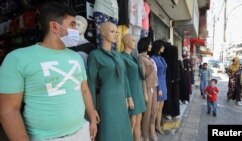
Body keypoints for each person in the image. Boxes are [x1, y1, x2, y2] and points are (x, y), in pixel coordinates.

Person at [0, 2, 97, 141]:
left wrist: (92, 119)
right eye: (72, 24)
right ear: (54, 27)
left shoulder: (76, 57)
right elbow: (8, 110)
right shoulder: (17, 59)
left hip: (81, 131)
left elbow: (84, 90)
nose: (76, 29)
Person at [87, 22, 133, 141]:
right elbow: (90, 83)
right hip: (107, 99)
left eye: (116, 32)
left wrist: (128, 96)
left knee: (123, 129)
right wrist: (92, 109)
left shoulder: (118, 55)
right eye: (112, 31)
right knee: (110, 130)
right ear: (102, 33)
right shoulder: (95, 55)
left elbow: (124, 77)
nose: (116, 35)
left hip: (121, 98)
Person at [121, 34, 146, 141]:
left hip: (137, 90)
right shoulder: (121, 57)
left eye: (135, 40)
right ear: (126, 42)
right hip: (130, 91)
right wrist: (128, 96)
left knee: (138, 119)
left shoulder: (132, 57)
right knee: (132, 120)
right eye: (132, 40)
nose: (134, 42)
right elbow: (123, 78)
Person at [138, 37, 158, 141]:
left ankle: (152, 131)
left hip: (154, 86)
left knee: (154, 110)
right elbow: (142, 76)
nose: (151, 46)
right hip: (148, 87)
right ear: (144, 45)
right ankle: (145, 135)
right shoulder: (141, 58)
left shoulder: (149, 58)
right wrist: (145, 92)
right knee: (147, 112)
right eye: (149, 44)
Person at [151, 40, 167, 134]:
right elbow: (154, 75)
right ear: (158, 47)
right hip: (158, 84)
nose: (163, 48)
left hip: (163, 83)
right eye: (162, 46)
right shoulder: (153, 59)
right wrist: (159, 88)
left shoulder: (161, 58)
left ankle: (158, 126)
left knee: (160, 108)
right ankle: (152, 127)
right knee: (155, 109)